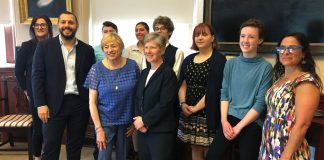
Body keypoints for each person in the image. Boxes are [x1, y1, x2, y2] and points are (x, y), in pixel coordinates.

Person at [206, 18, 273, 160]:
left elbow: (260, 103)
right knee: (211, 156)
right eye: (243, 36)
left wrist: (239, 127)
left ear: (260, 41)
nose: (245, 40)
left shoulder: (265, 67)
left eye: (251, 37)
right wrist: (224, 121)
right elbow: (224, 93)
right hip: (229, 118)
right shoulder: (230, 63)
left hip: (252, 121)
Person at [32, 11, 95, 160]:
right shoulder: (44, 47)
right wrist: (40, 104)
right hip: (52, 105)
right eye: (64, 22)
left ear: (77, 26)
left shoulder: (87, 50)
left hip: (79, 105)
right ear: (58, 25)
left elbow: (92, 78)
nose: (67, 25)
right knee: (50, 148)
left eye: (71, 22)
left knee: (75, 147)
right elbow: (37, 76)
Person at [259, 32, 322, 160]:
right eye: (282, 48)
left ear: (303, 53)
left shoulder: (306, 81)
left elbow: (303, 124)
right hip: (269, 144)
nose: (285, 52)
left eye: (292, 48)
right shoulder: (281, 78)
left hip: (288, 150)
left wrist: (286, 156)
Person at [84, 32, 140, 160]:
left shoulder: (133, 66)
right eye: (106, 47)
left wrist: (135, 121)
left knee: (123, 156)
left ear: (120, 47)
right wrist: (98, 129)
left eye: (113, 46)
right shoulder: (96, 69)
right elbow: (92, 102)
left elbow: (138, 96)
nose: (110, 50)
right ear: (103, 49)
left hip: (126, 122)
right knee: (103, 156)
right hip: (104, 122)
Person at [177, 23, 226, 160]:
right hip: (187, 110)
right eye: (196, 35)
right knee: (194, 147)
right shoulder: (188, 59)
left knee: (208, 150)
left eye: (204, 34)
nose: (199, 38)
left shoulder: (219, 59)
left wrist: (195, 108)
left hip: (207, 111)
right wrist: (183, 103)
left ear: (212, 38)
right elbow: (182, 84)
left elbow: (214, 89)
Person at [133, 32, 178, 160]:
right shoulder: (145, 72)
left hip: (160, 132)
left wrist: (145, 121)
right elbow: (137, 97)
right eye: (146, 47)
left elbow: (165, 104)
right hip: (143, 130)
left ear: (162, 50)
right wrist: (138, 121)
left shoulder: (168, 74)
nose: (148, 51)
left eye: (153, 47)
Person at [15, 15, 53, 160]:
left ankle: (49, 153)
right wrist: (26, 90)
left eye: (43, 25)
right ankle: (37, 156)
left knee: (51, 125)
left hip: (52, 91)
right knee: (38, 126)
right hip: (34, 91)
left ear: (49, 27)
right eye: (36, 25)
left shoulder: (54, 45)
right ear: (33, 28)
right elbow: (19, 71)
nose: (40, 27)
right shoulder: (26, 46)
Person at [124, 21, 150, 160]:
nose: (139, 32)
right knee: (135, 121)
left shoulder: (151, 47)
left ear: (147, 31)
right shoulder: (129, 50)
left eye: (142, 30)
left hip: (150, 88)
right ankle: (136, 152)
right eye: (136, 30)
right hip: (134, 89)